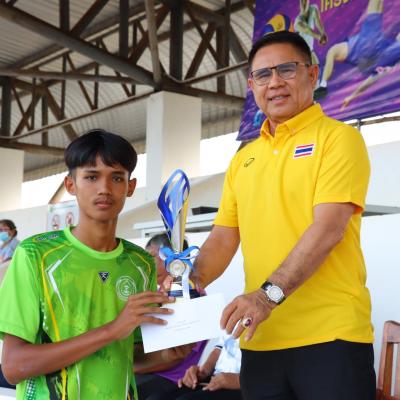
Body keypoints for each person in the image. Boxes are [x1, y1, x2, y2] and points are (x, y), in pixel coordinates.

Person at [190, 31, 375, 400]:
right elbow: (224, 237)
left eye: (286, 69)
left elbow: (328, 229)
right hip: (261, 339)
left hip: (331, 337)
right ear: (252, 86)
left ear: (312, 73)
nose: (274, 82)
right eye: (263, 74)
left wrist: (266, 297)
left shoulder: (339, 139)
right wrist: (188, 282)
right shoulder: (244, 159)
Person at [0, 129, 192, 399]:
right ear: (70, 185)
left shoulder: (140, 264)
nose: (104, 188)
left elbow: (129, 356)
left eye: (116, 177)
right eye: (91, 177)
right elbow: (14, 367)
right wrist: (112, 330)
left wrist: (167, 355)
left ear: (130, 187)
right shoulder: (35, 255)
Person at [134, 233, 207, 400]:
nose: (146, 264)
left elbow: (175, 357)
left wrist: (132, 367)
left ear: (173, 259)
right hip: (148, 372)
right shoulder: (157, 294)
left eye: (152, 257)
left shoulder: (193, 295)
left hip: (172, 378)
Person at [315, 0, 400, 99]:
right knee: (333, 52)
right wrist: (352, 96)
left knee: (332, 52)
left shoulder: (388, 58)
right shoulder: (390, 57)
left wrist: (352, 96)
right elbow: (370, 81)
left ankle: (323, 84)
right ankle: (323, 85)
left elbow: (369, 82)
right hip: (366, 47)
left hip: (364, 50)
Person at [176, 333, 242, 400]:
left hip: (242, 385)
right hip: (217, 378)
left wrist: (238, 380)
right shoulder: (230, 329)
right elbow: (217, 351)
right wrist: (204, 371)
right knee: (175, 392)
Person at [294, 0, 327, 67]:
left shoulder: (313, 9)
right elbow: (308, 31)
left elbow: (318, 22)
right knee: (308, 69)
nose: (304, 5)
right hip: (300, 52)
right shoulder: (298, 22)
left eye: (305, 1)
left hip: (309, 50)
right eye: (302, 2)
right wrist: (319, 37)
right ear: (299, 6)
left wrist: (323, 33)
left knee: (317, 68)